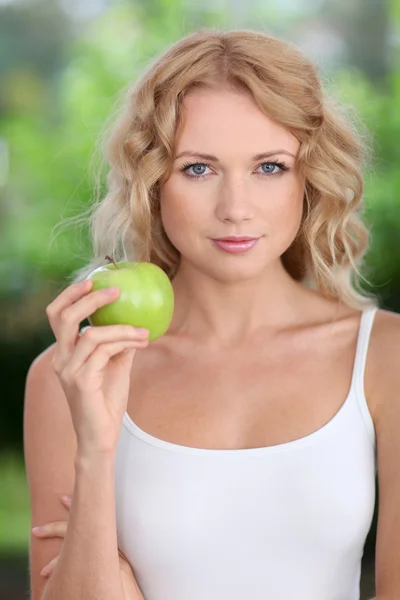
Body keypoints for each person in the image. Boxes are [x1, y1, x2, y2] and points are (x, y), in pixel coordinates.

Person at [23, 28, 400, 600]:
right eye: (198, 169)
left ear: (309, 177)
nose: (236, 209)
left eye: (269, 167)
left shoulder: (384, 359)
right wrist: (97, 455)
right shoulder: (69, 377)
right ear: (153, 182)